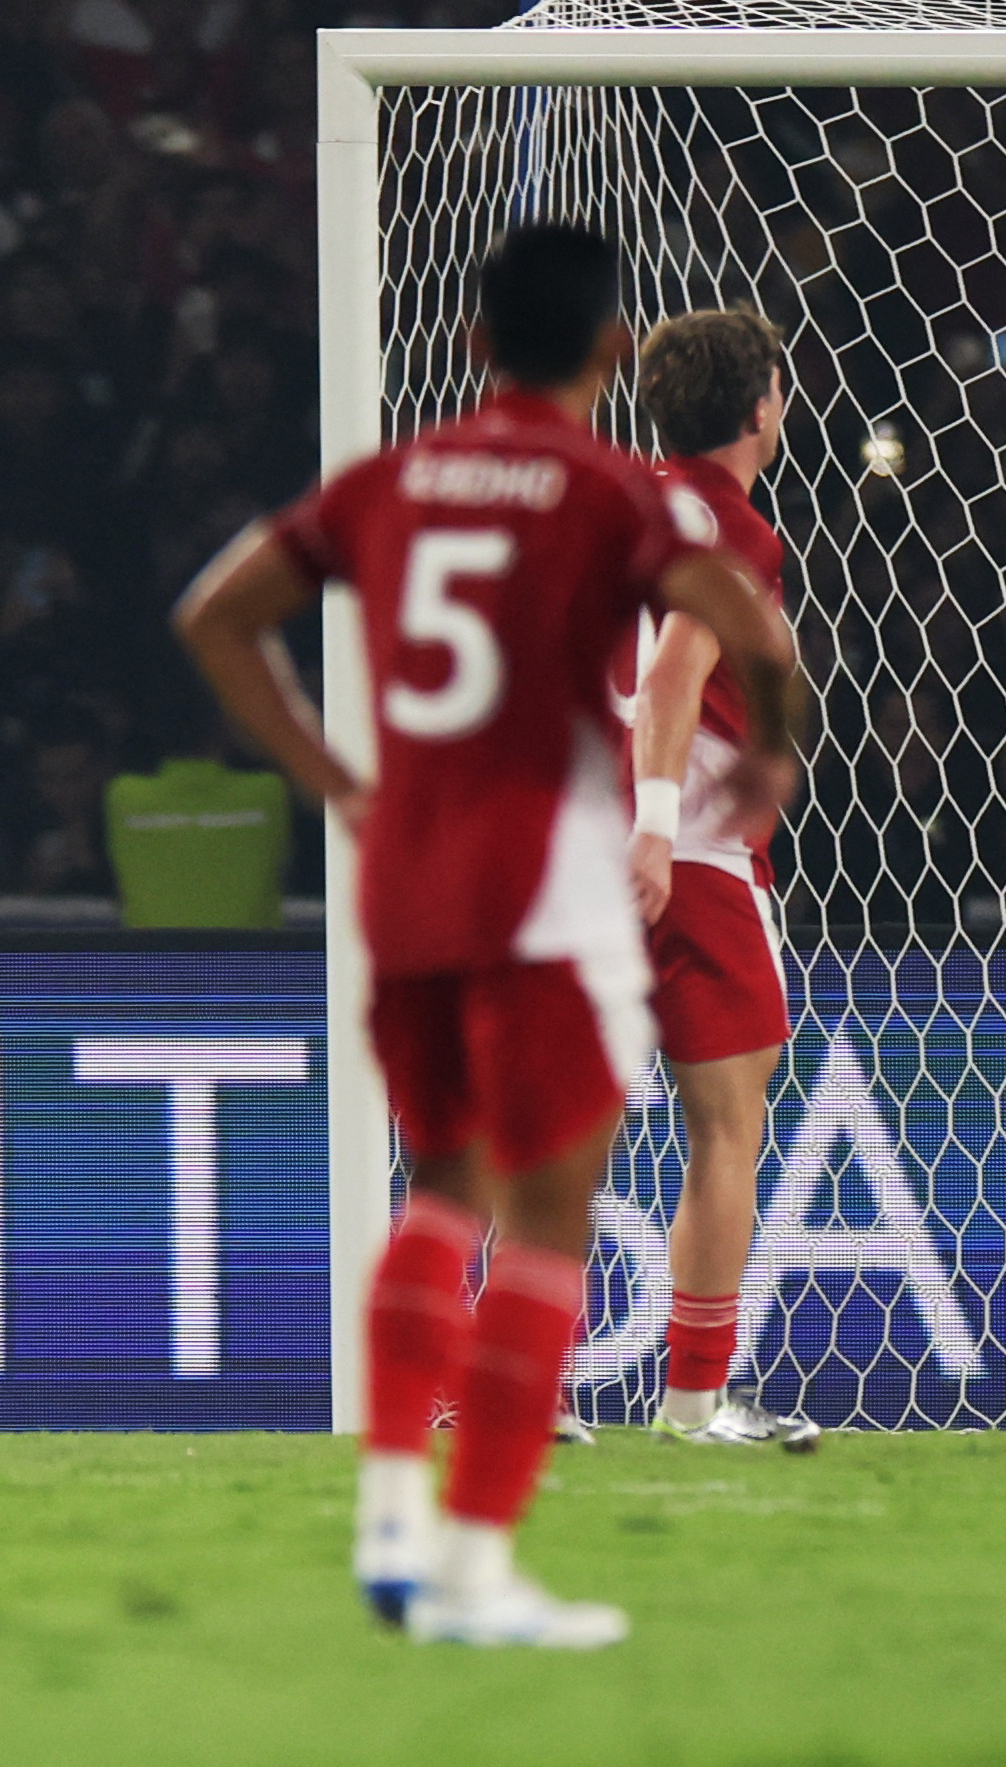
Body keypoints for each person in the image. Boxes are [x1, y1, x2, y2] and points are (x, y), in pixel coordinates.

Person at [172, 224, 805, 1649]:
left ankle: (395, 1507)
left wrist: (336, 782)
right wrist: (755, 755)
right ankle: (473, 1566)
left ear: (465, 346)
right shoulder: (606, 492)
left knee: (443, 1188)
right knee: (549, 1208)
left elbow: (215, 617)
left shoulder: (390, 480)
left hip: (409, 878)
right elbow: (728, 629)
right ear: (606, 356)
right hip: (557, 875)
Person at [614, 307, 821, 1450]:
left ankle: (507, 1385)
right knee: (725, 1124)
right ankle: (694, 1401)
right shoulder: (731, 527)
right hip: (685, 850)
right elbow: (671, 676)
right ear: (760, 406)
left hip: (576, 847)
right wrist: (654, 823)